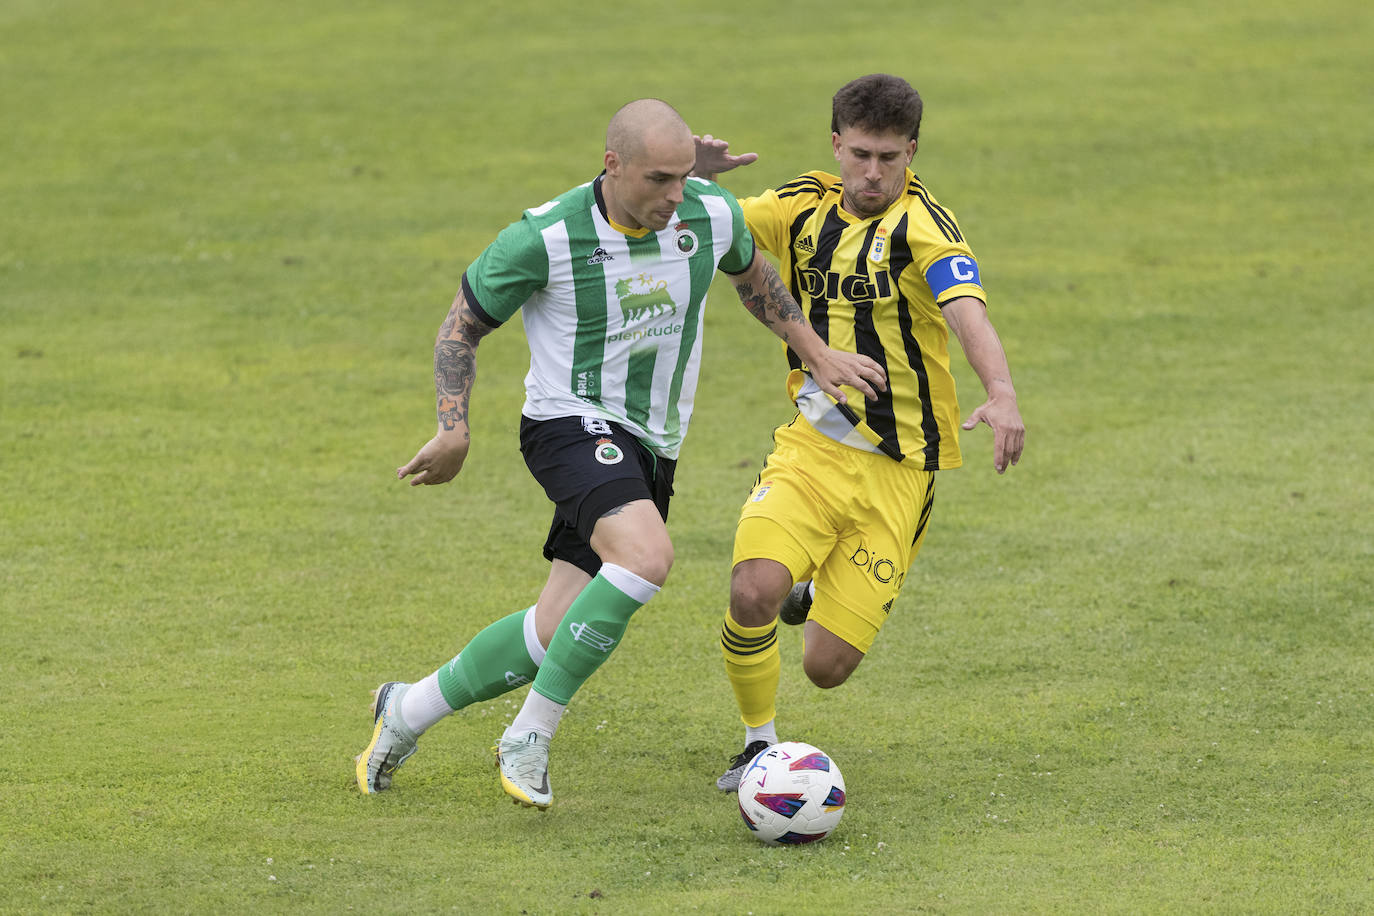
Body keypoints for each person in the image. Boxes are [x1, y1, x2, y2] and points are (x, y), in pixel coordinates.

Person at [355, 98, 886, 809]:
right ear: (612, 166)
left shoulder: (707, 212)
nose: (676, 196)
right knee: (646, 557)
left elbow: (754, 277)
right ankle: (530, 735)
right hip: (565, 424)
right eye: (659, 179)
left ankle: (407, 710)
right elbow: (460, 327)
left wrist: (816, 353)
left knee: (550, 635)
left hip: (651, 445)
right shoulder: (543, 238)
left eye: (683, 177)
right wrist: (454, 427)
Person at [694, 74, 1026, 791]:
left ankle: (813, 594)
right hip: (810, 448)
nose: (873, 174)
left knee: (826, 668)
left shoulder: (926, 227)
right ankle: (758, 745)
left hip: (899, 470)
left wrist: (1000, 391)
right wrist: (689, 179)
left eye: (890, 159)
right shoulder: (800, 206)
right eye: (861, 155)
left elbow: (968, 309)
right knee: (752, 590)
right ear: (837, 144)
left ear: (911, 152)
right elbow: (708, 225)